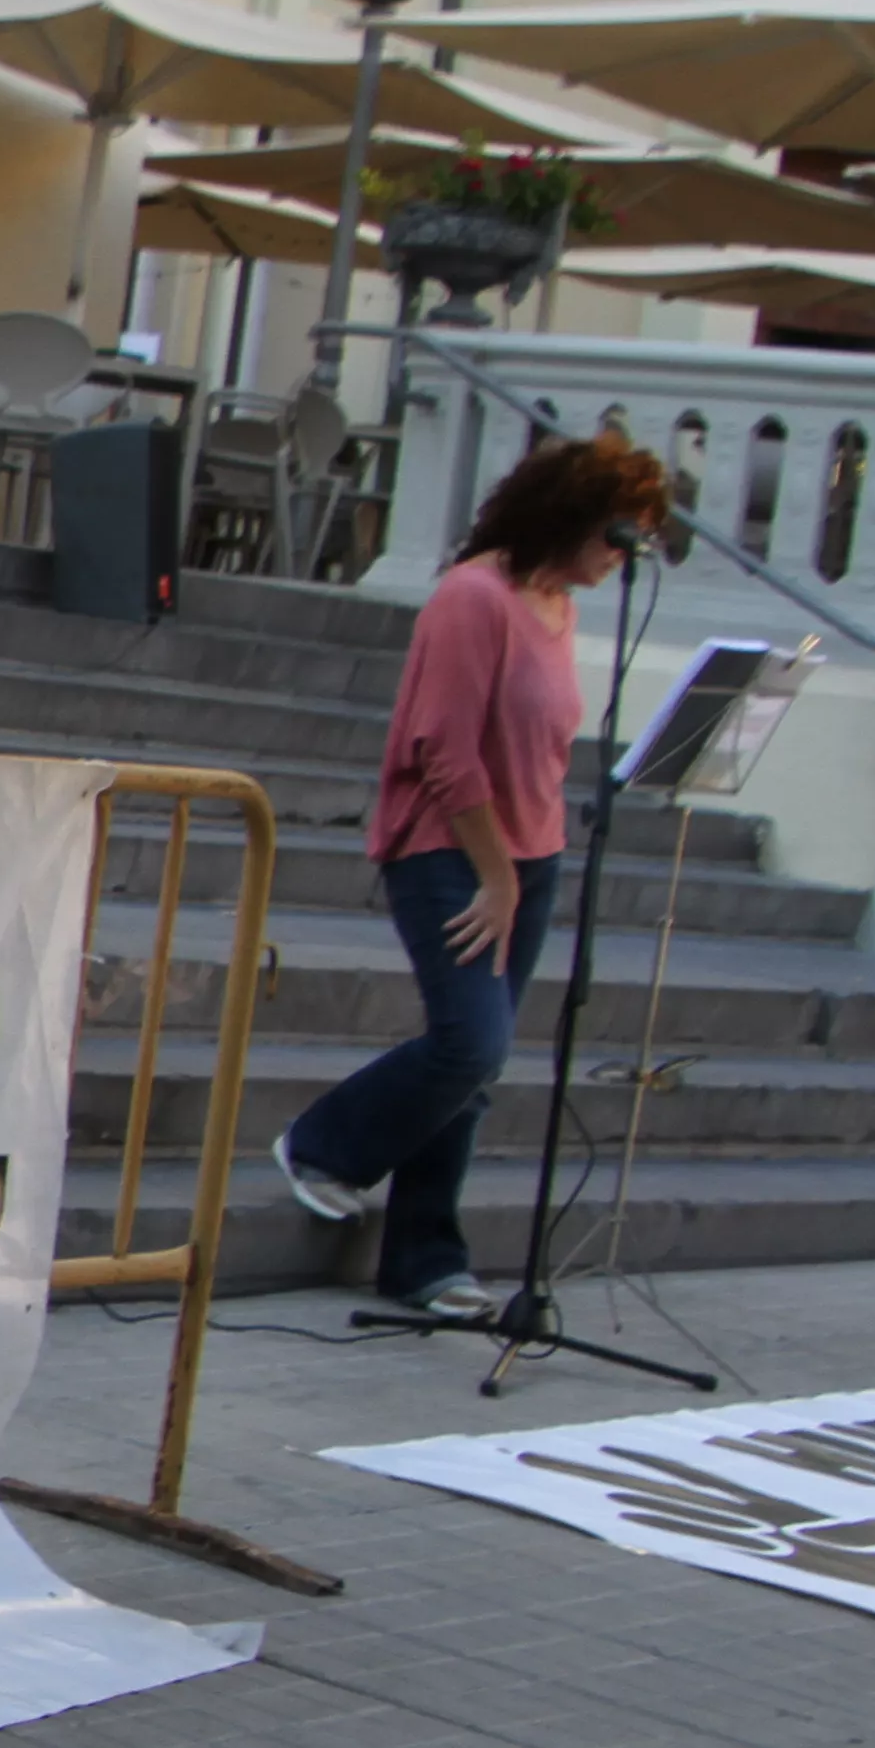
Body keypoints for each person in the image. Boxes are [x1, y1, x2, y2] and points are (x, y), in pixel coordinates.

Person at [275, 430, 676, 1320]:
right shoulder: (472, 599)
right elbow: (446, 754)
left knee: (475, 1070)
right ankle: (323, 1145)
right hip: (448, 850)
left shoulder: (557, 606)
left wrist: (529, 867)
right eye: (618, 536)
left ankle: (425, 1259)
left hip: (533, 853)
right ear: (570, 517)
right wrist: (495, 877)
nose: (625, 558)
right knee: (470, 1042)